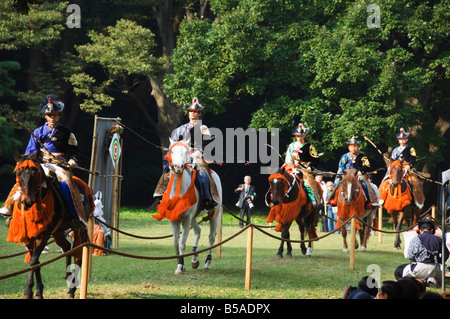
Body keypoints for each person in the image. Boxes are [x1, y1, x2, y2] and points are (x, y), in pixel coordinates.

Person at [0, 94, 86, 230]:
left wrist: (72, 160)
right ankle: (10, 208)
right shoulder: (38, 132)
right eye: (50, 115)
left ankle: (73, 216)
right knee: (25, 177)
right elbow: (30, 153)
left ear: (59, 116)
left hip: (60, 165)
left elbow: (75, 151)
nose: (53, 118)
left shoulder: (67, 133)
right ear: (45, 116)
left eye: (55, 115)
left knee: (67, 182)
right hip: (40, 163)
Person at [153, 98, 217, 210]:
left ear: (199, 113)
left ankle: (207, 199)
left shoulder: (204, 129)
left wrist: (197, 153)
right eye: (191, 112)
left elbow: (206, 145)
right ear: (188, 114)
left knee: (203, 176)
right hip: (181, 157)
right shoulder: (179, 130)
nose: (193, 114)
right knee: (167, 172)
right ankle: (161, 194)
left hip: (197, 157)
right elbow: (172, 146)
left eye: (195, 112)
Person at [328, 136, 377, 207]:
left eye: (355, 146)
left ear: (358, 147)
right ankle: (332, 199)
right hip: (346, 175)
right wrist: (341, 174)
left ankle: (371, 201)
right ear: (349, 147)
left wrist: (361, 171)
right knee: (337, 183)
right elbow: (341, 166)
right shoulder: (344, 157)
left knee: (366, 184)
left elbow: (366, 166)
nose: (353, 148)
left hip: (358, 175)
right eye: (352, 146)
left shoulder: (362, 156)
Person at [383, 128, 424, 209]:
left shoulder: (411, 149)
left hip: (407, 168)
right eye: (401, 139)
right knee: (385, 182)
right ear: (398, 141)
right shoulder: (395, 150)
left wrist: (409, 166)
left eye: (404, 139)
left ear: (407, 139)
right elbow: (393, 161)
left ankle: (416, 200)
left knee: (415, 182)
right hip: (396, 168)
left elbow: (413, 159)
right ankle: (383, 199)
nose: (402, 141)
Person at [401, 218, 449, 287]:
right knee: (437, 278)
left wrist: (415, 261)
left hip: (419, 267)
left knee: (406, 270)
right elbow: (446, 254)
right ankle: (432, 282)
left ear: (420, 230)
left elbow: (410, 255)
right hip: (434, 268)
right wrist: (439, 261)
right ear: (432, 230)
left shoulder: (415, 239)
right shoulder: (439, 239)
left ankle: (414, 282)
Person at [284, 123, 321, 208]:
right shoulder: (291, 146)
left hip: (304, 169)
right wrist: (292, 166)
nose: (299, 138)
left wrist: (308, 166)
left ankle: (314, 201)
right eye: (297, 136)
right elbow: (288, 158)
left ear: (304, 136)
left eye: (301, 136)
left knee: (307, 184)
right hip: (291, 167)